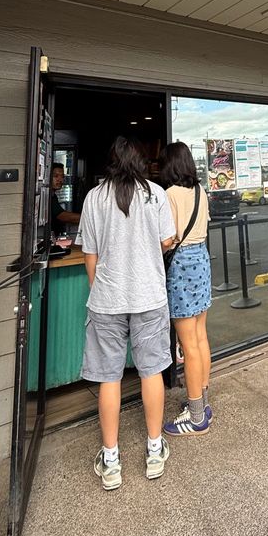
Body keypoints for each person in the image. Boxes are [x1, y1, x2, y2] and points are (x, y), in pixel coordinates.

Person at [79, 137, 177, 490]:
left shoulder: (94, 197)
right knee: (151, 372)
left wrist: (98, 289)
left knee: (109, 377)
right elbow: (168, 240)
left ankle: (111, 461)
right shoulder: (155, 194)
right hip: (149, 296)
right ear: (140, 162)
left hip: (107, 299)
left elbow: (90, 253)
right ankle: (154, 451)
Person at [160, 142, 213, 437]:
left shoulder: (169, 194)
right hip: (202, 260)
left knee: (188, 343)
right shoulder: (200, 191)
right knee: (201, 336)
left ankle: (195, 418)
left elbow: (168, 239)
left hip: (181, 265)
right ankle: (202, 402)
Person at [51, 162, 80, 237]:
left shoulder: (54, 196)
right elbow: (62, 216)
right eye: (56, 176)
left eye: (62, 176)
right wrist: (89, 217)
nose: (60, 179)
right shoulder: (49, 197)